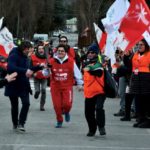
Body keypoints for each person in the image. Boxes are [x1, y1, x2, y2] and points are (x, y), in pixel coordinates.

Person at [5, 41, 43, 132]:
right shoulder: (14, 55)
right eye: (28, 51)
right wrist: (25, 71)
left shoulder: (26, 56)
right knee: (15, 106)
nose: (29, 53)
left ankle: (21, 123)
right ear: (24, 49)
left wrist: (39, 67)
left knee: (26, 103)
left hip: (24, 84)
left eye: (30, 51)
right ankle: (15, 123)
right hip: (13, 83)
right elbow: (10, 67)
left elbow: (29, 70)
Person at [49, 44, 83, 128]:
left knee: (67, 104)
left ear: (65, 52)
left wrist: (80, 84)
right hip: (55, 86)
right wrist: (46, 68)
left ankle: (67, 112)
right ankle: (59, 120)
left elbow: (77, 73)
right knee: (57, 106)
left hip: (67, 86)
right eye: (59, 51)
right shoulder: (51, 61)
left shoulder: (71, 61)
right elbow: (45, 73)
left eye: (62, 51)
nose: (60, 52)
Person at [83, 43, 106, 136]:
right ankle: (92, 129)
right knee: (88, 113)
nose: (90, 54)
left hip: (100, 92)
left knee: (99, 108)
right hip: (88, 92)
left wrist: (89, 68)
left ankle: (101, 126)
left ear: (96, 54)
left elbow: (99, 71)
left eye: (93, 52)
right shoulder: (85, 63)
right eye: (89, 52)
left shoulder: (99, 64)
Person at [129, 39, 150, 128]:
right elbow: (130, 66)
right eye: (138, 44)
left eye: (142, 45)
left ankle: (147, 120)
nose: (139, 46)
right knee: (138, 101)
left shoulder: (149, 54)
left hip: (146, 80)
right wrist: (126, 57)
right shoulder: (136, 55)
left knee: (146, 101)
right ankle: (141, 119)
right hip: (137, 80)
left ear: (146, 46)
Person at [31, 43, 50, 111]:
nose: (41, 50)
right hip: (36, 77)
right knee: (38, 91)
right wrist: (33, 74)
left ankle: (42, 106)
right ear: (37, 50)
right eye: (39, 49)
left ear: (44, 50)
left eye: (42, 48)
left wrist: (49, 68)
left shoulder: (48, 57)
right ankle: (37, 93)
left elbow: (51, 66)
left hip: (44, 77)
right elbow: (30, 67)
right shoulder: (33, 57)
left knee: (44, 90)